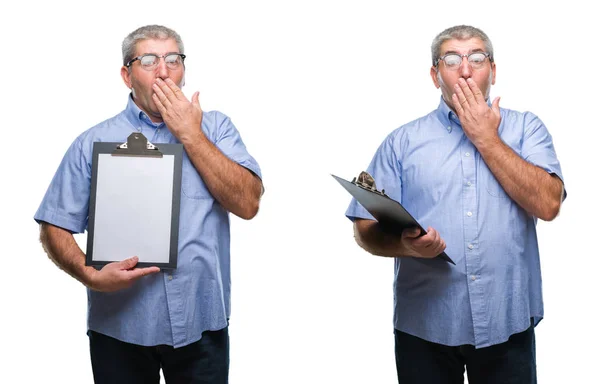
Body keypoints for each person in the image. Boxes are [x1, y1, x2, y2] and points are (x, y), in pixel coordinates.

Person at [34, 24, 263, 384]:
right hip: (120, 327)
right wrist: (89, 274)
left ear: (184, 70)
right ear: (127, 75)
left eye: (173, 59)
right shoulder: (92, 141)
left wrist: (190, 133)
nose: (163, 70)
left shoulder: (217, 129)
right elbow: (54, 226)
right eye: (150, 60)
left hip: (201, 325)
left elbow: (248, 203)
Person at [346, 25, 565, 384]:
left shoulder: (528, 130)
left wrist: (485, 137)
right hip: (425, 326)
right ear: (435, 75)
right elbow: (364, 228)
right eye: (452, 60)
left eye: (477, 59)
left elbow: (549, 204)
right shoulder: (401, 142)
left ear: (493, 70)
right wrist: (404, 245)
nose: (465, 70)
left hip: (506, 321)